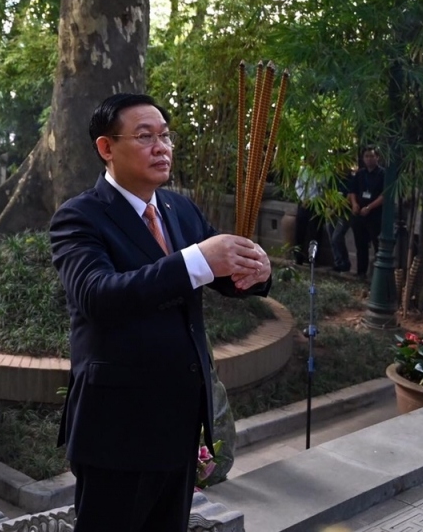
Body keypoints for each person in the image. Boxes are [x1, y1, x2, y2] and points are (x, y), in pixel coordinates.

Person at [50, 93, 272, 532]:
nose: (162, 147)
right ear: (106, 148)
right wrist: (197, 261)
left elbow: (223, 273)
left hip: (180, 426)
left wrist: (256, 271)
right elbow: (98, 295)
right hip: (117, 430)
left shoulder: (179, 208)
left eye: (166, 136)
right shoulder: (79, 217)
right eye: (145, 136)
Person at [350, 146, 385, 279]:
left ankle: (377, 275)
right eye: (366, 156)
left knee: (377, 245)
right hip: (359, 214)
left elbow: (384, 195)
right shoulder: (360, 173)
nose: (369, 159)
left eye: (371, 156)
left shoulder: (382, 174)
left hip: (374, 214)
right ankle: (361, 272)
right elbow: (352, 191)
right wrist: (354, 204)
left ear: (377, 157)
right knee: (361, 245)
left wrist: (369, 207)